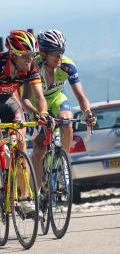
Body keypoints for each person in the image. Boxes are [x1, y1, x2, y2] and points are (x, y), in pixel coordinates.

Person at [0, 30, 49, 211]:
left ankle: (24, 198)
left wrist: (43, 113)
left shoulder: (31, 67)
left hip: (9, 101)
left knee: (21, 143)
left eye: (32, 55)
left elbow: (38, 97)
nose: (30, 60)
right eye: (25, 56)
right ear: (13, 54)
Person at [24, 29, 96, 188]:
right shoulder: (33, 66)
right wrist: (36, 114)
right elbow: (26, 98)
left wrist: (88, 112)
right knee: (39, 149)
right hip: (36, 103)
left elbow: (80, 96)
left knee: (67, 122)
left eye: (61, 51)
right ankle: (36, 190)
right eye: (55, 52)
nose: (59, 56)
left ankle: (63, 163)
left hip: (57, 98)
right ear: (43, 53)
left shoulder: (68, 66)